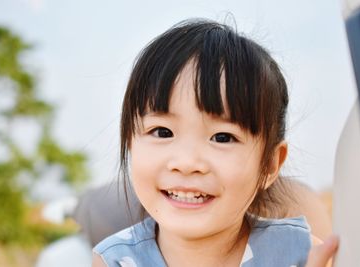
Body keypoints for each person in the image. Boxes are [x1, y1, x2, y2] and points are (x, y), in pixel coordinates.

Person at [92, 19, 338, 266]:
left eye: (222, 137)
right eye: (162, 132)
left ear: (270, 166)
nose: (187, 162)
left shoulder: (302, 255)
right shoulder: (114, 260)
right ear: (130, 143)